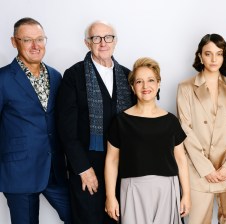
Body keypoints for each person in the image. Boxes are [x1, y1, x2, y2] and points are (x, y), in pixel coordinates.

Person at [56, 20, 135, 224]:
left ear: (115, 41)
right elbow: (66, 129)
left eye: (108, 37)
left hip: (121, 163)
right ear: (87, 43)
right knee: (89, 219)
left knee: (119, 218)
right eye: (96, 38)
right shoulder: (74, 75)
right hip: (87, 164)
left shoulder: (128, 76)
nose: (103, 43)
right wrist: (82, 168)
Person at [0, 17, 71, 224]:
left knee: (78, 216)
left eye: (40, 39)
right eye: (27, 40)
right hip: (18, 172)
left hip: (54, 169)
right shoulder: (3, 79)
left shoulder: (56, 76)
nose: (35, 46)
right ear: (14, 42)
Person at [104, 57, 191, 224]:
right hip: (132, 190)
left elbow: (181, 159)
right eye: (139, 81)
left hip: (166, 190)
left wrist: (186, 194)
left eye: (151, 80)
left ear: (158, 84)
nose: (145, 86)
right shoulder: (120, 121)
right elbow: (112, 160)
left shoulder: (171, 121)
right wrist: (110, 196)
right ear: (132, 87)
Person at [177, 34, 226, 224]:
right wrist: (206, 168)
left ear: (224, 56)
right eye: (208, 54)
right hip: (199, 169)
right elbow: (185, 129)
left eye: (219, 54)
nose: (214, 59)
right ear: (200, 56)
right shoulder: (185, 88)